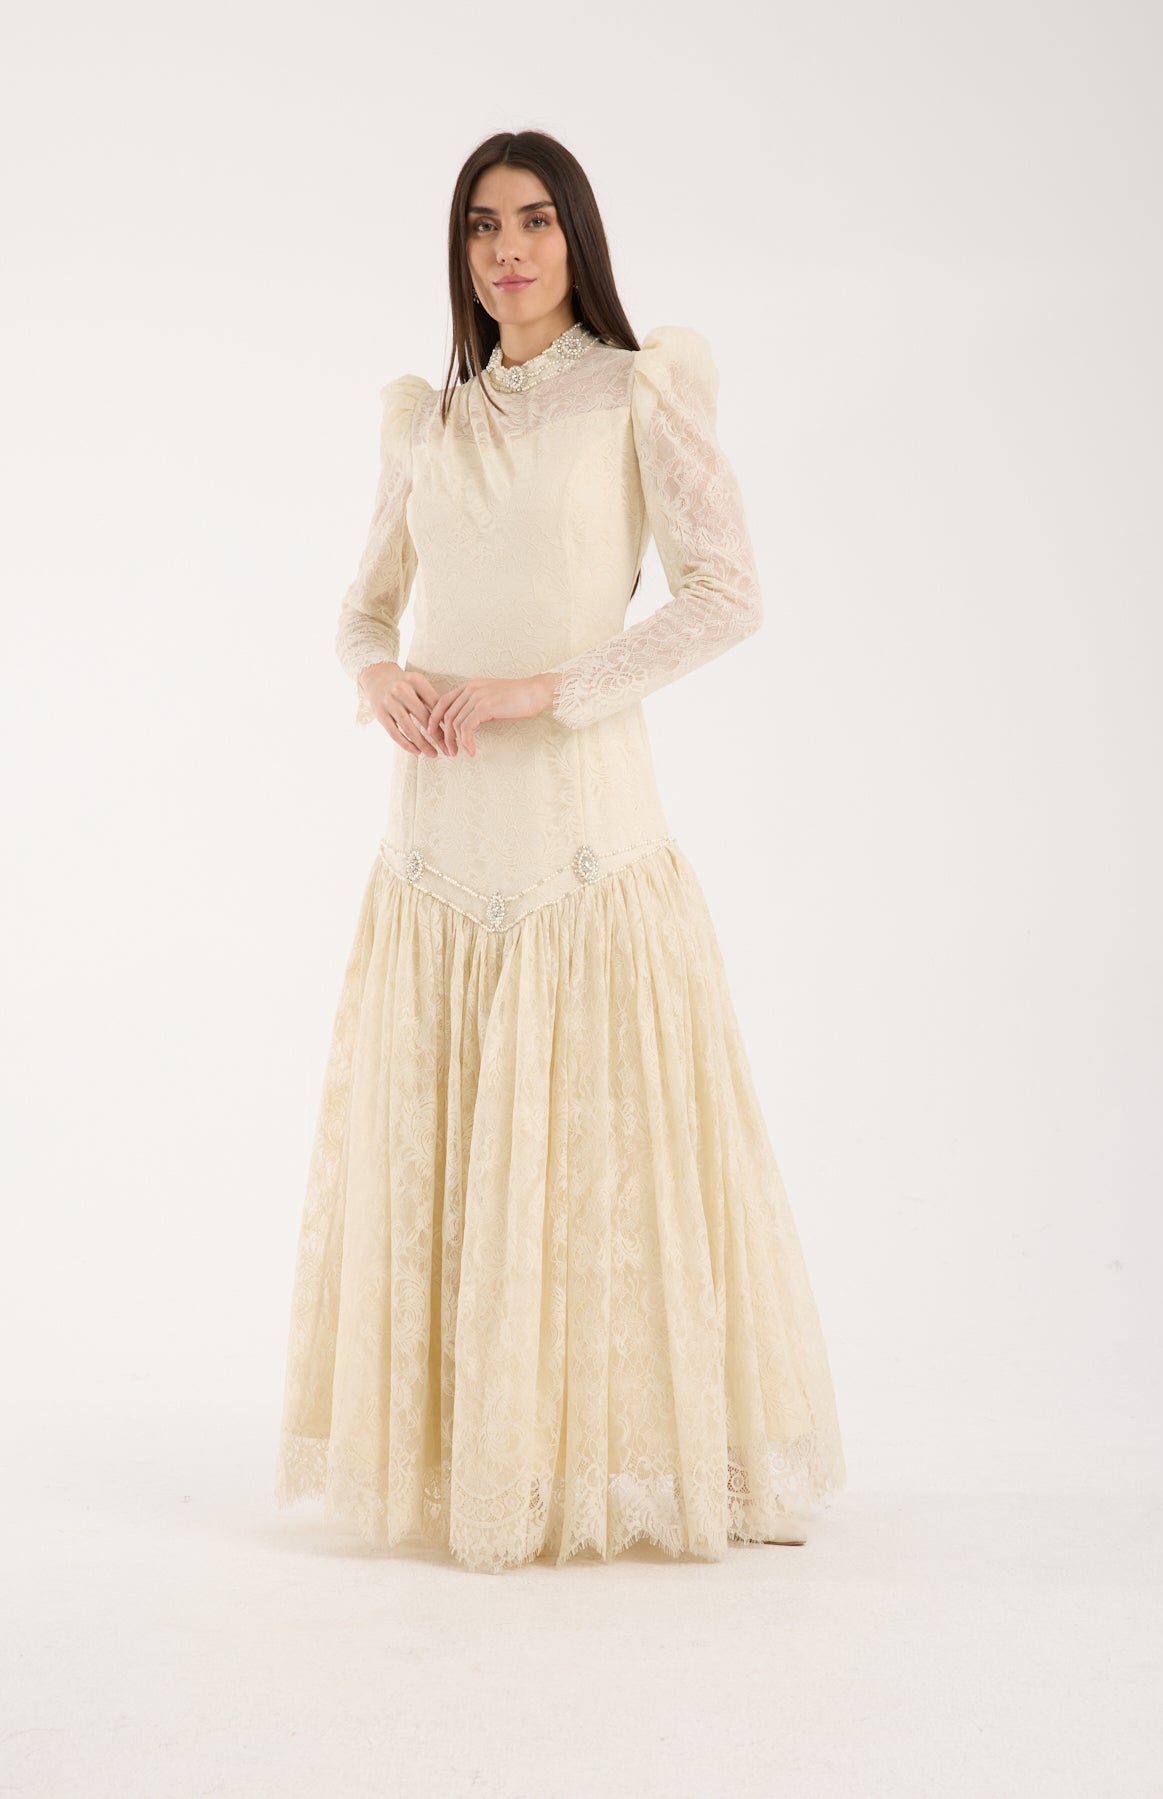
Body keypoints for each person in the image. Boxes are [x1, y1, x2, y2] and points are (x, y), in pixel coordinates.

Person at [274, 128, 846, 1574]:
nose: (509, 250)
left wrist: (549, 687)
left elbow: (726, 594)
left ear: (576, 237)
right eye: (483, 226)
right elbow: (363, 608)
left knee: (597, 1151)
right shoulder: (427, 421)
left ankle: (619, 1463)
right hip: (436, 845)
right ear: (460, 252)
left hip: (580, 841)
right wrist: (377, 677)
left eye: (534, 221)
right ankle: (471, 1462)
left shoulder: (639, 391)